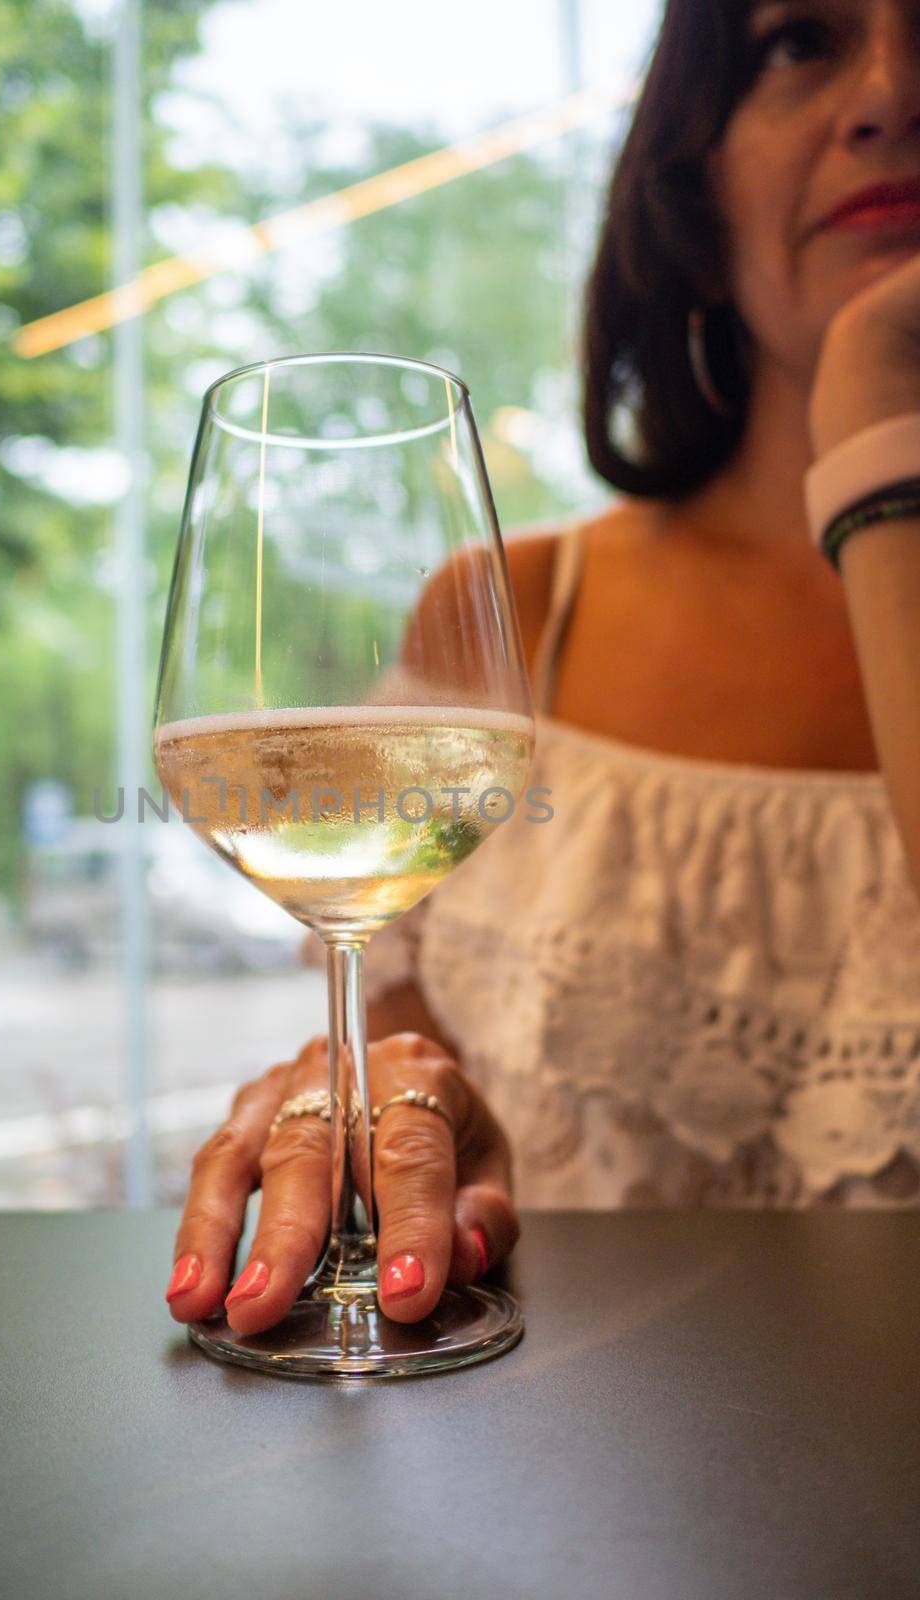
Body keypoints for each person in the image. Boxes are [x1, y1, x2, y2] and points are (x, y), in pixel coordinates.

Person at [164, 0, 920, 1335]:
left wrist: (881, 442)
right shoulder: (514, 610)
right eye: (801, 40)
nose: (892, 95)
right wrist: (397, 1127)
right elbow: (433, 1098)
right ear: (691, 177)